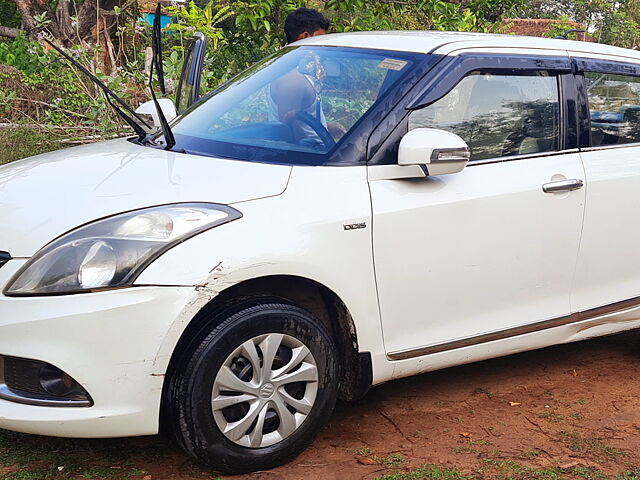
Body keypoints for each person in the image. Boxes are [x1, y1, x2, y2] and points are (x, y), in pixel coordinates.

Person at [269, 8, 346, 146]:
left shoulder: (293, 70)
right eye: (320, 38)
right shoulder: (292, 80)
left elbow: (299, 123)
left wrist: (325, 126)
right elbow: (286, 131)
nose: (323, 45)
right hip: (310, 158)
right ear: (304, 37)